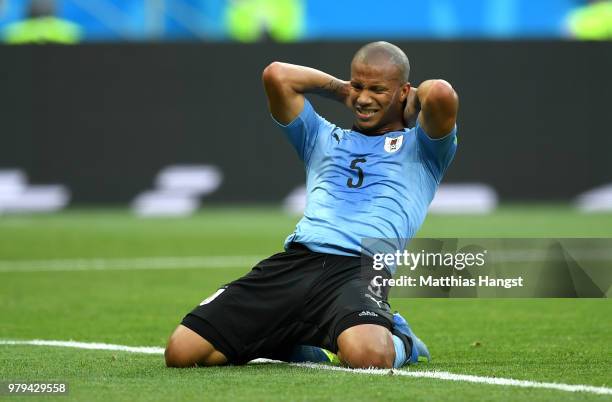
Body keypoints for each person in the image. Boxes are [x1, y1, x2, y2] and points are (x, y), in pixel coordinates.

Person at [164, 41, 459, 369]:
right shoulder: (320, 135)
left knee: (369, 357)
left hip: (360, 270)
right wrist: (341, 90)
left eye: (377, 89)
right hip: (295, 263)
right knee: (182, 352)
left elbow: (441, 94)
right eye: (357, 86)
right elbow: (277, 76)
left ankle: (403, 339)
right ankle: (291, 343)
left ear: (403, 91)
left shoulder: (423, 149)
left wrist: (410, 101)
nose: (362, 98)